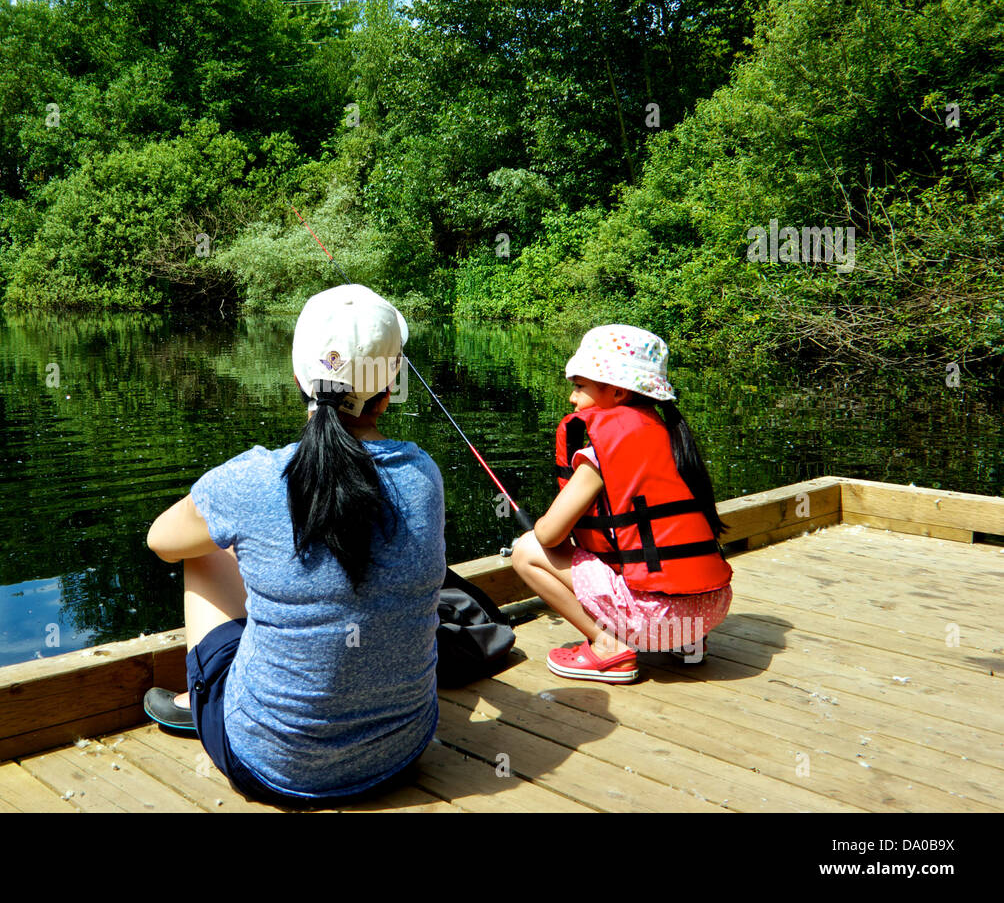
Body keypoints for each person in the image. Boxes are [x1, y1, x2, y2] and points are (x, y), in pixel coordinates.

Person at [143, 284, 446, 807]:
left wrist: (240, 541)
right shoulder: (423, 473)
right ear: (389, 387)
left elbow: (162, 542)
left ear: (298, 377)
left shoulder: (252, 478)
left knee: (205, 548)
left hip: (269, 764)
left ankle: (200, 698)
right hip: (403, 750)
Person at [510, 324, 733, 683]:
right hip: (710, 609)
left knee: (527, 549)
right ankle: (688, 642)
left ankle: (607, 649)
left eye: (579, 386)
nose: (572, 398)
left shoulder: (599, 453)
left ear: (615, 391)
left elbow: (549, 536)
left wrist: (539, 529)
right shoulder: (672, 437)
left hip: (657, 619)